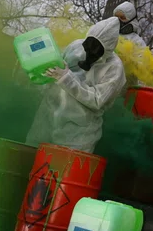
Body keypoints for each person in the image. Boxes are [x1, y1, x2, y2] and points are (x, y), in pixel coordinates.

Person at [26, 17, 126, 153]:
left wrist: (66, 78)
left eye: (96, 52)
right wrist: (42, 72)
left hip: (76, 136)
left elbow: (97, 100)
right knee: (28, 162)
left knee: (60, 170)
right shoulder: (75, 46)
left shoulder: (114, 68)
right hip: (45, 120)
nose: (89, 53)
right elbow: (54, 71)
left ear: (107, 51)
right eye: (88, 46)